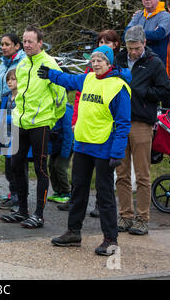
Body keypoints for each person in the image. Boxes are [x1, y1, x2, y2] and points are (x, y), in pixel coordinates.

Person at [41, 45, 132, 256]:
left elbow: (123, 123)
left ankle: (110, 240)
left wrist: (118, 152)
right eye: (93, 60)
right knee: (78, 190)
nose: (96, 63)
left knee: (105, 194)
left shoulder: (119, 87)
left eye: (101, 60)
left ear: (110, 63)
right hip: (82, 144)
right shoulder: (87, 78)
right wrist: (51, 74)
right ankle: (73, 232)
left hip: (104, 147)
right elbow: (69, 80)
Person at [0, 25, 67, 229]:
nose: (27, 45)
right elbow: (19, 93)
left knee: (40, 169)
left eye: (30, 41)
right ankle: (22, 210)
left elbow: (61, 96)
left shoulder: (49, 64)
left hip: (41, 124)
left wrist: (51, 119)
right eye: (25, 41)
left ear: (40, 43)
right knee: (15, 165)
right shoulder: (21, 64)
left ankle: (39, 214)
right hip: (21, 122)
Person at [114, 25, 170, 236]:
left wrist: (142, 91)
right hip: (119, 122)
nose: (133, 52)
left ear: (144, 43)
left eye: (136, 48)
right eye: (130, 48)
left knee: (142, 174)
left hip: (141, 122)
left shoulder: (154, 63)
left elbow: (165, 91)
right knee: (121, 173)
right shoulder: (119, 60)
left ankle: (142, 218)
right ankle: (125, 215)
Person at [70, 29, 123, 217]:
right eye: (100, 41)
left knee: (104, 183)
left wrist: (117, 149)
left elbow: (121, 120)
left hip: (104, 139)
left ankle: (109, 234)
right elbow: (78, 95)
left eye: (106, 42)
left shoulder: (119, 77)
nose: (102, 45)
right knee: (79, 183)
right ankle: (73, 228)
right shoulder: (89, 73)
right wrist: (76, 119)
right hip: (85, 137)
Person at [0, 69, 28, 211]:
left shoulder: (24, 97)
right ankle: (13, 194)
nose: (10, 81)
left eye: (13, 79)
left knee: (19, 169)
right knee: (9, 170)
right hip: (7, 138)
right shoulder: (6, 97)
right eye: (8, 79)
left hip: (20, 138)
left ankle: (20, 199)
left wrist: (8, 119)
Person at [124, 0, 170, 66]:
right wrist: (150, 34)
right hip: (136, 63)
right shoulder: (138, 15)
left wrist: (135, 34)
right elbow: (126, 34)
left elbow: (158, 35)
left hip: (155, 65)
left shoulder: (165, 16)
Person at [47, 102, 73, 205]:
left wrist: (66, 151)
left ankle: (66, 192)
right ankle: (58, 191)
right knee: (51, 166)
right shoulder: (52, 107)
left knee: (60, 167)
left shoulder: (67, 110)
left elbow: (69, 133)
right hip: (55, 145)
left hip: (66, 146)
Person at [0, 33, 26, 101]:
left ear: (17, 46)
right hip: (2, 104)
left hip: (16, 104)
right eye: (2, 45)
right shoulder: (3, 63)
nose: (3, 48)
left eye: (7, 44)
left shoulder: (24, 62)